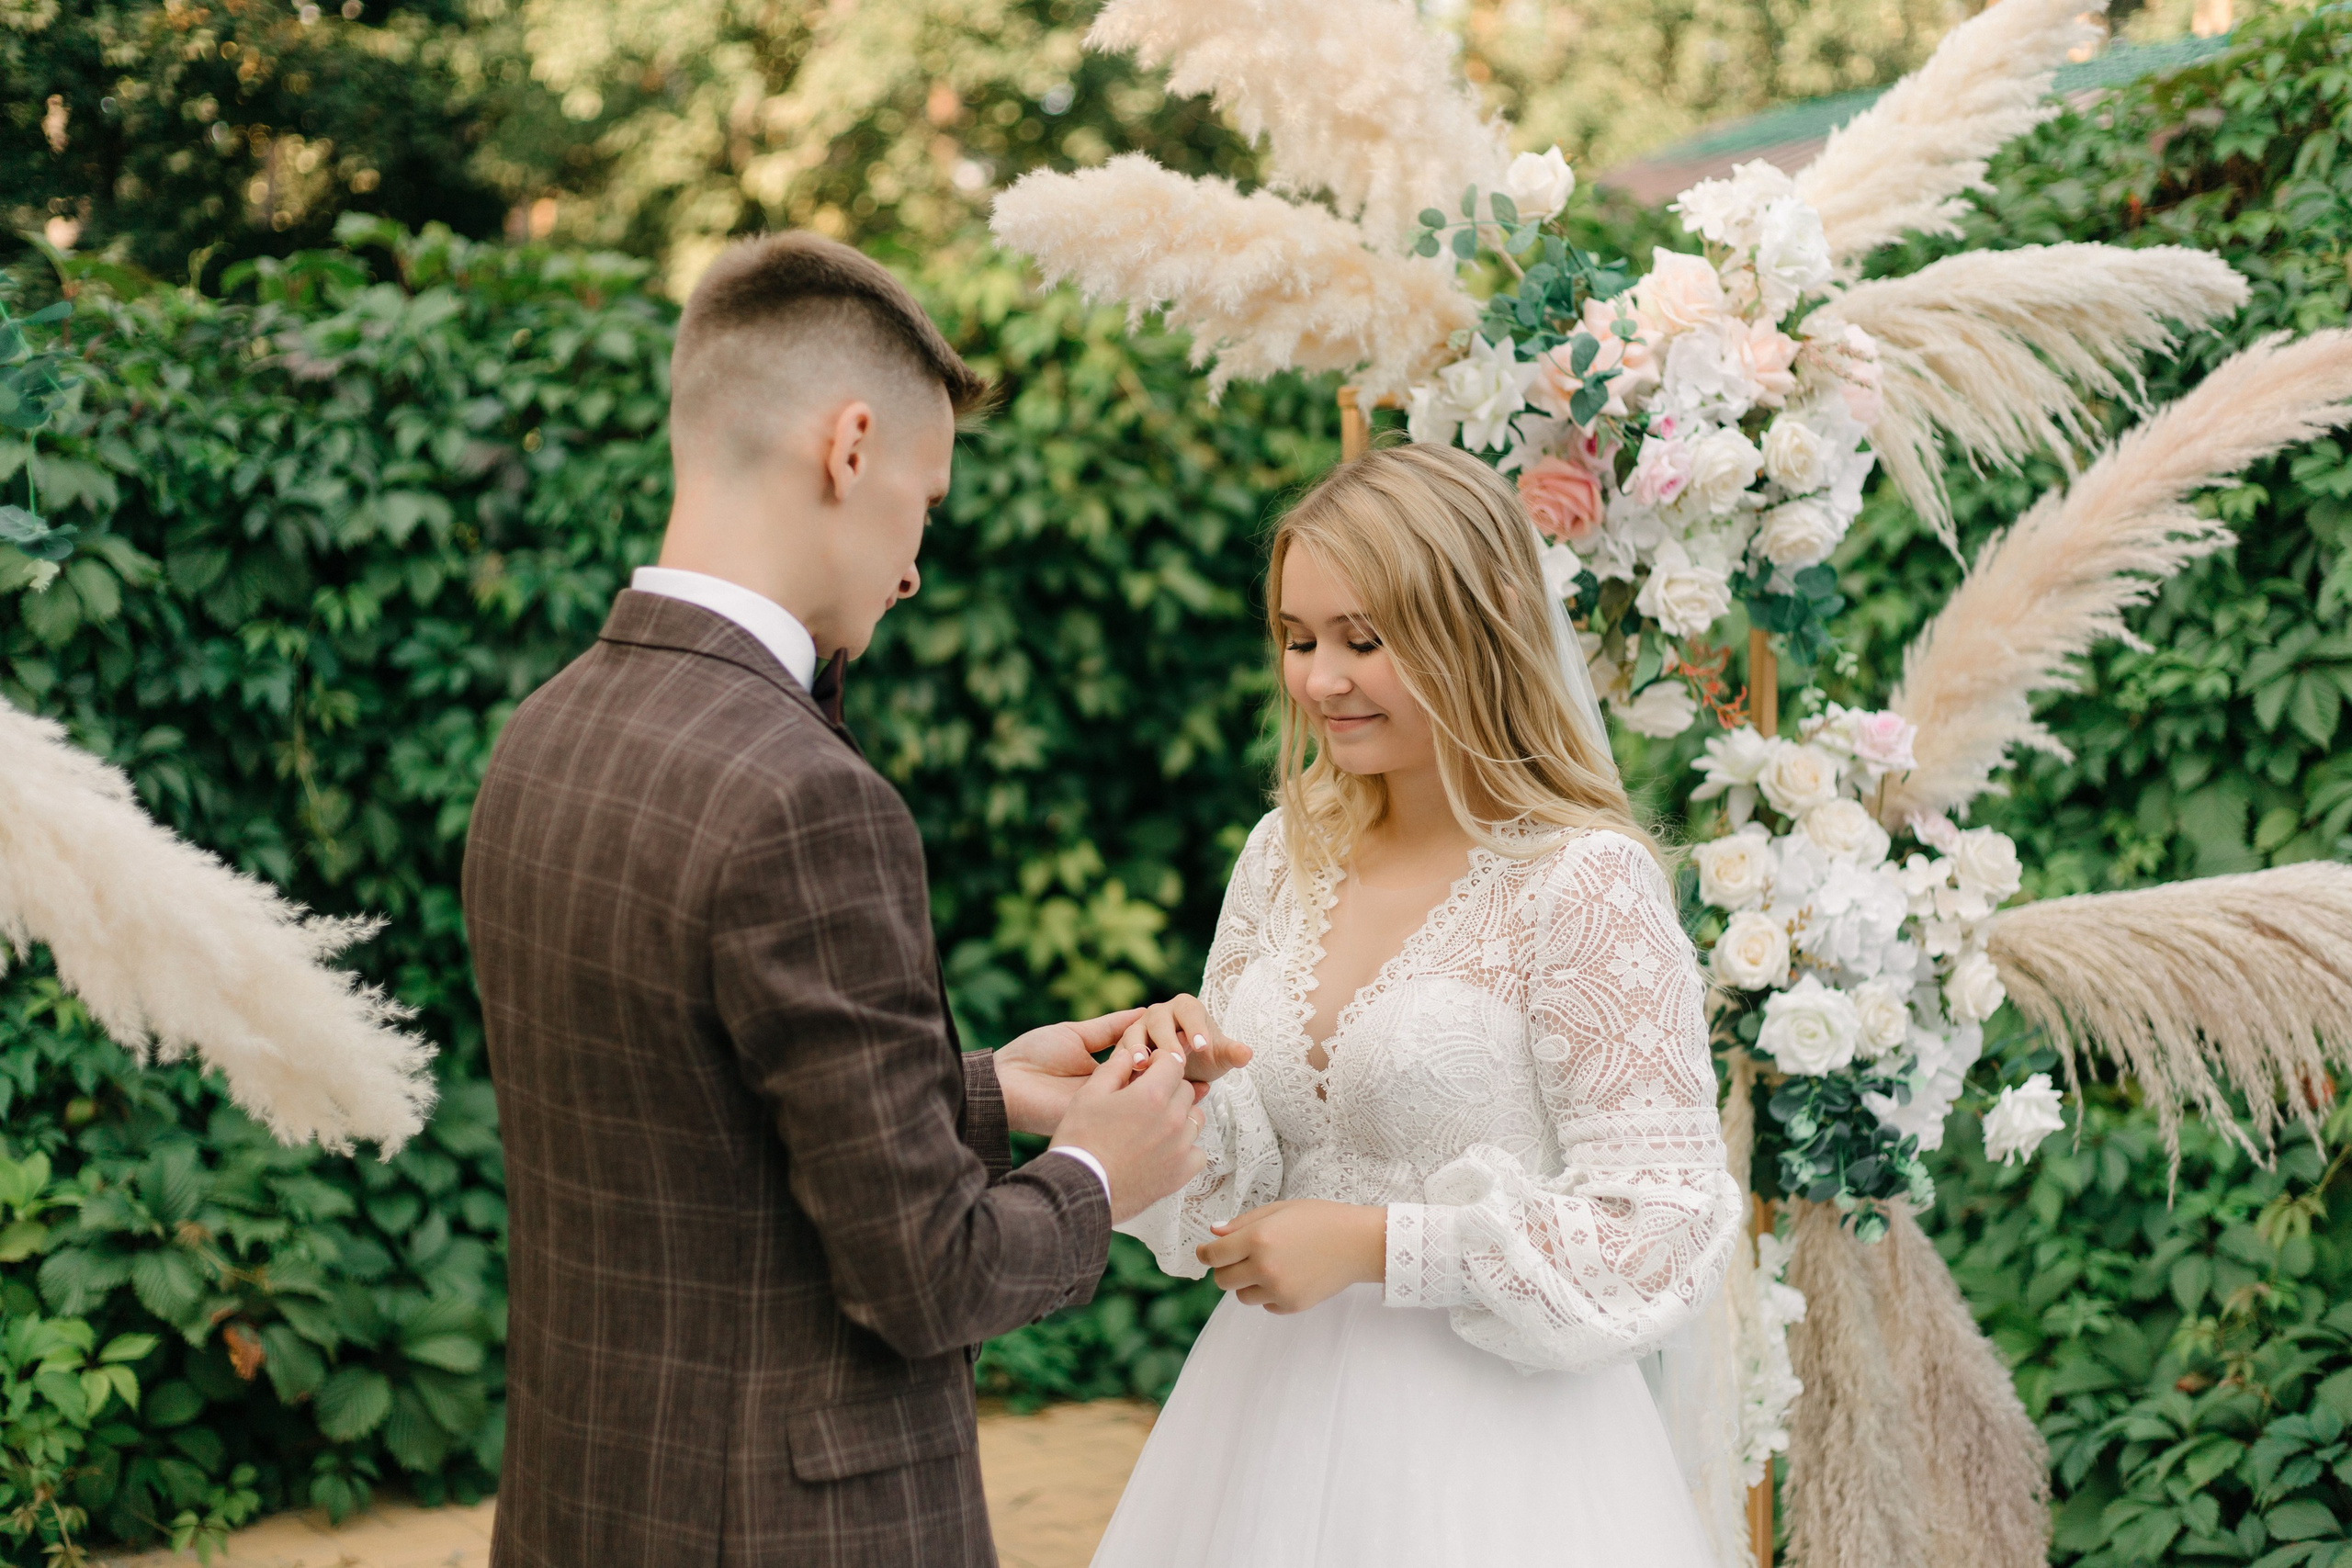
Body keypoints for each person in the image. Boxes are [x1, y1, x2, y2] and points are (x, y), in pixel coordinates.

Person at [462, 231, 1243, 1568]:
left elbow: (706, 1122)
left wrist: (992, 1091)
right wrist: (1106, 1168)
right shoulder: (805, 794)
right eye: (924, 504)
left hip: (580, 1505)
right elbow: (926, 1275)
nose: (913, 566)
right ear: (851, 446)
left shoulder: (543, 736)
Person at [1089, 443, 1744, 1567]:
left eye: (1364, 639)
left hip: (1503, 1467)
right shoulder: (1284, 854)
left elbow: (1666, 1228)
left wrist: (1381, 1246)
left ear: (1477, 628)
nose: (1319, 679)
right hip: (1260, 1433)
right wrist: (1175, 1086)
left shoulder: (1579, 883)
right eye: (1298, 640)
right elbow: (1236, 1186)